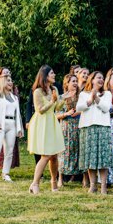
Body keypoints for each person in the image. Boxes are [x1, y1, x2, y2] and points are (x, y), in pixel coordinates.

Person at [27, 65, 66, 194]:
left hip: (52, 122)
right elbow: (40, 110)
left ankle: (54, 183)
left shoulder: (54, 88)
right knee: (46, 155)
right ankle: (35, 184)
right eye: (52, 73)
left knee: (54, 155)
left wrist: (64, 98)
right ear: (45, 76)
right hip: (42, 123)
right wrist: (52, 101)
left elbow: (58, 107)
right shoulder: (37, 91)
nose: (54, 75)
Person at [77, 71, 113, 194]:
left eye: (102, 78)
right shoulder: (83, 94)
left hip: (102, 127)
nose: (101, 80)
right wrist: (90, 99)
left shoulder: (107, 94)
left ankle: (103, 185)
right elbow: (79, 108)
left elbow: (106, 108)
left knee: (102, 157)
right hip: (87, 128)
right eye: (98, 77)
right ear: (92, 80)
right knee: (90, 157)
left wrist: (96, 98)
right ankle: (92, 185)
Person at [0, 74, 23, 183]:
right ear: (2, 82)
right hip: (0, 124)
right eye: (8, 81)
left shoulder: (14, 97)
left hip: (11, 124)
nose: (10, 83)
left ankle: (5, 173)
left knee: (9, 151)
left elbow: (18, 114)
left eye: (11, 81)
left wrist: (19, 128)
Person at [56, 74, 82, 188]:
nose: (75, 83)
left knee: (79, 151)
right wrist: (66, 114)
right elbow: (55, 115)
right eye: (73, 81)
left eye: (76, 81)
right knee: (63, 152)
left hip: (79, 125)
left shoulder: (81, 96)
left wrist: (79, 112)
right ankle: (60, 178)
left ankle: (78, 177)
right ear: (67, 83)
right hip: (65, 126)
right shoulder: (61, 97)